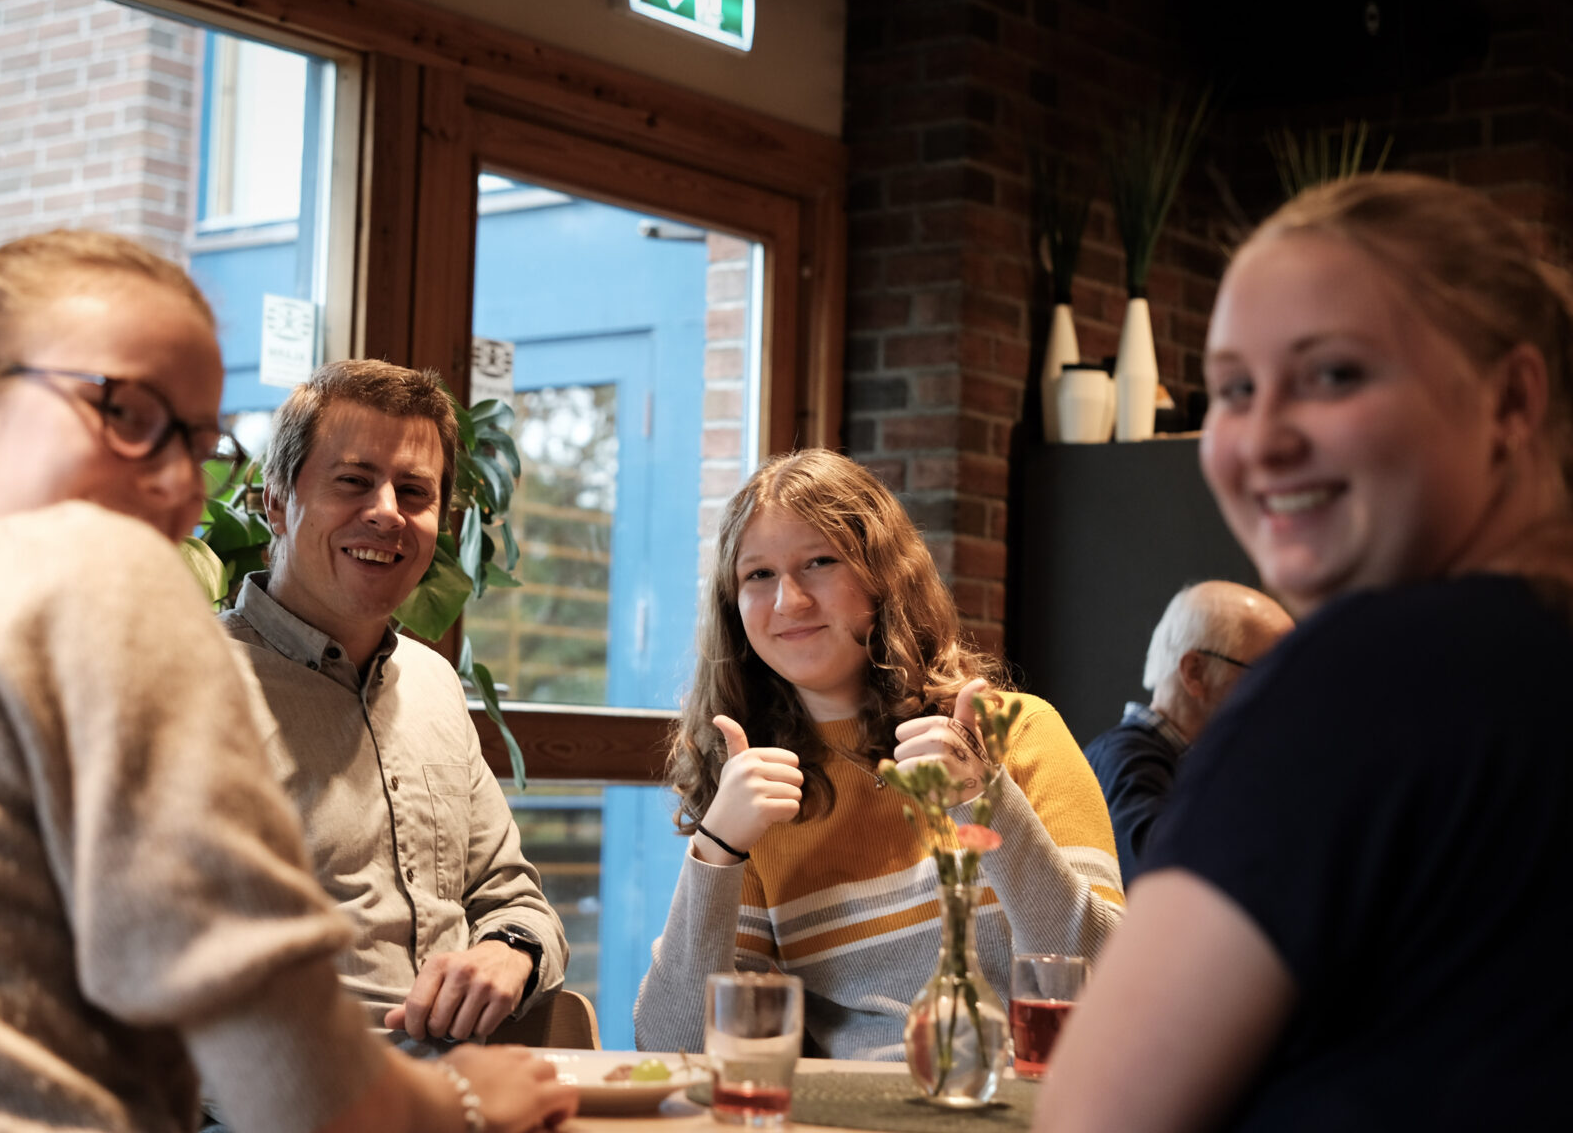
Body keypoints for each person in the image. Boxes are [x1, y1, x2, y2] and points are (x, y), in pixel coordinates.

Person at [0, 232, 576, 1133]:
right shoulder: (93, 579)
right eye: (125, 416)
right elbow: (301, 1086)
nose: (178, 489)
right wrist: (462, 1103)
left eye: (196, 439)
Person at [1037, 173, 1573, 1132]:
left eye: (1333, 375)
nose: (1263, 438)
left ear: (1513, 399)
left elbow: (1095, 1115)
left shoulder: (1362, 683)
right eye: (1235, 387)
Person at [633, 449, 1124, 1059]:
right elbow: (674, 1045)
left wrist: (983, 801)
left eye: (818, 562)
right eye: (758, 575)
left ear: (884, 577)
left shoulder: (1018, 732)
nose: (788, 601)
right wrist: (716, 849)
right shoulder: (757, 790)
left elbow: (1110, 984)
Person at [221, 360, 566, 1044]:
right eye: (352, 481)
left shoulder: (434, 685)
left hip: (466, 1097)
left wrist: (509, 952)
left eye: (414, 491)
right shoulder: (183, 687)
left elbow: (512, 896)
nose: (385, 512)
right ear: (276, 502)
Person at [1083, 581, 1292, 884]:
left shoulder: (1204, 766)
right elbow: (1164, 882)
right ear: (1195, 671)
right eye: (1267, 674)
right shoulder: (1126, 759)